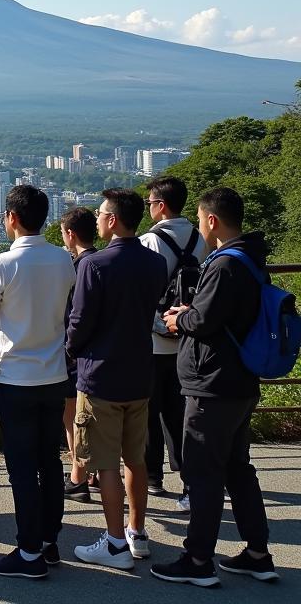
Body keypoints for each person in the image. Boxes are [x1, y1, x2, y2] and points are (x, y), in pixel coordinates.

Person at [151, 188, 277, 587]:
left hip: (213, 383)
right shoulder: (252, 260)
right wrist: (196, 313)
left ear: (211, 220)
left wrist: (179, 320)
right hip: (241, 379)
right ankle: (258, 553)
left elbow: (204, 321)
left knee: (203, 471)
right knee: (239, 468)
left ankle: (198, 559)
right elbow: (226, 314)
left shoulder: (224, 265)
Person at [0, 186, 76, 578]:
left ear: (12, 217)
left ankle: (28, 551)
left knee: (21, 467)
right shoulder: (64, 259)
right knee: (49, 460)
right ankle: (48, 542)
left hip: (15, 377)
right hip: (54, 374)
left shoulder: (1, 265)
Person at [66, 189, 167, 570]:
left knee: (105, 461)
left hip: (100, 374)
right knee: (134, 457)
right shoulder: (154, 264)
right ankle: (136, 531)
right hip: (140, 370)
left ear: (112, 219)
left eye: (100, 213)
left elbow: (80, 321)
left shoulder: (95, 266)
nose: (96, 219)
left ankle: (112, 543)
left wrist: (71, 351)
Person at [139, 176, 205, 511]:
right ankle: (191, 482)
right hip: (188, 341)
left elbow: (139, 292)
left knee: (148, 414)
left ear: (160, 205)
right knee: (182, 413)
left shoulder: (149, 242)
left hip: (152, 342)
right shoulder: (201, 238)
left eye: (150, 202)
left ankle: (152, 477)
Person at [59, 206, 98, 504]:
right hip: (98, 352)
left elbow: (76, 315)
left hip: (76, 353)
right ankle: (88, 471)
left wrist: (69, 349)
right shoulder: (99, 261)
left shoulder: (79, 266)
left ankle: (79, 474)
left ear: (70, 234)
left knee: (72, 415)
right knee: (88, 417)